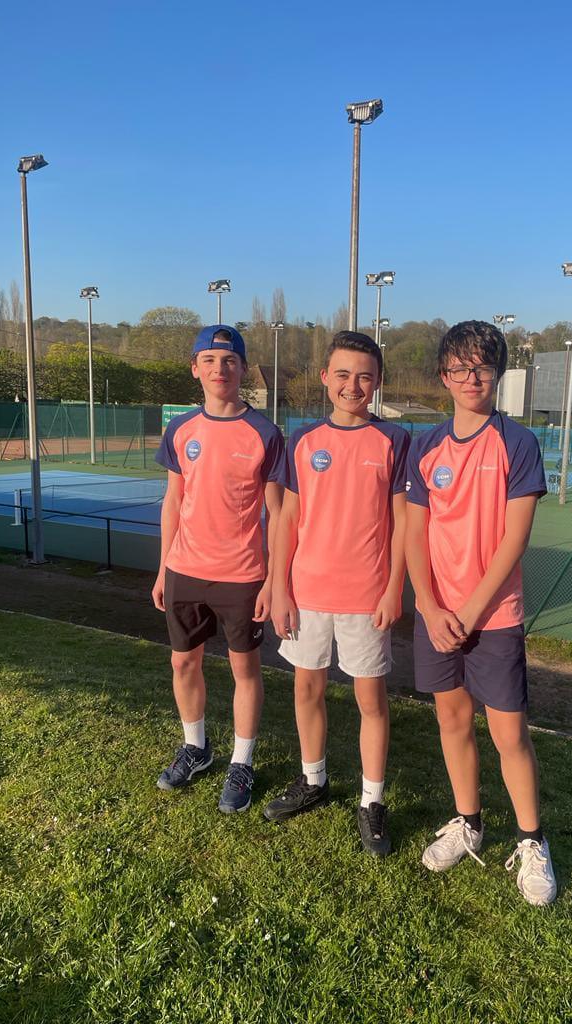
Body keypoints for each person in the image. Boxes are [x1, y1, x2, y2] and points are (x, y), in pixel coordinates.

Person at [405, 320, 557, 905]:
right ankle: (468, 821)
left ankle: (532, 841)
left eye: (483, 367)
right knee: (451, 722)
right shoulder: (426, 445)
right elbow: (414, 536)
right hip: (437, 615)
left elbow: (513, 541)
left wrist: (467, 611)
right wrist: (430, 605)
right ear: (444, 377)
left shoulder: (517, 443)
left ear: (497, 374)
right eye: (461, 368)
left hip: (491, 618)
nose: (472, 377)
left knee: (509, 734)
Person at [265, 331, 409, 856]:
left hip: (366, 597)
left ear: (377, 383)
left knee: (370, 699)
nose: (353, 385)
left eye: (364, 376)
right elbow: (288, 520)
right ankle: (314, 780)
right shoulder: (303, 441)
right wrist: (278, 586)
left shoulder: (394, 441)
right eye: (343, 374)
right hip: (307, 594)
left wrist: (395, 588)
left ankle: (372, 801)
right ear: (325, 378)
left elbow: (401, 526)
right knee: (307, 691)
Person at [152, 324, 284, 814]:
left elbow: (277, 512)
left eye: (228, 361)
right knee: (182, 662)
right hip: (185, 569)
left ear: (243, 368)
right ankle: (197, 748)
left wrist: (273, 578)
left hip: (243, 575)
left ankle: (242, 762)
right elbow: (173, 501)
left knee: (243, 669)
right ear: (195, 369)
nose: (219, 369)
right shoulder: (181, 429)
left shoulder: (265, 432)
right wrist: (165, 568)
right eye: (208, 360)